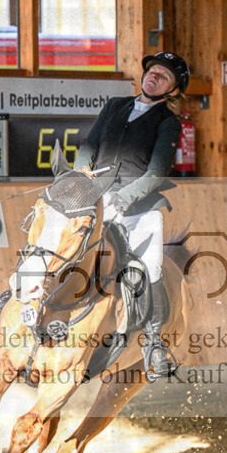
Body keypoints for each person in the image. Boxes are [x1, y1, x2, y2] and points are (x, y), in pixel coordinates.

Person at [73, 51, 190, 380]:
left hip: (139, 208)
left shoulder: (168, 122)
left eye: (163, 77)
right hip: (97, 198)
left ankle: (154, 343)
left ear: (173, 91)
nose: (153, 77)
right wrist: (81, 172)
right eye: (152, 71)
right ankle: (16, 297)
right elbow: (89, 144)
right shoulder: (114, 106)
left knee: (151, 266)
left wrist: (124, 198)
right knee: (57, 240)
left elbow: (155, 173)